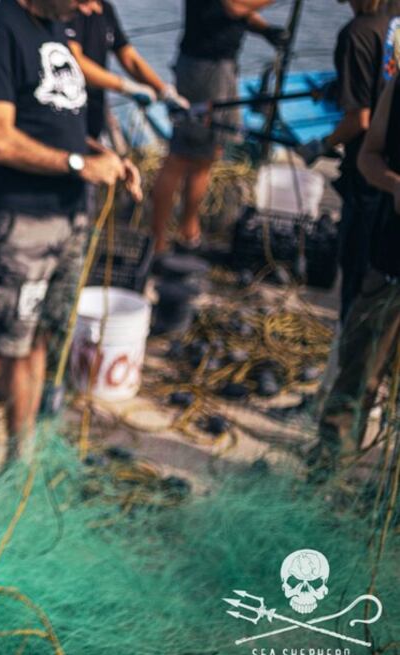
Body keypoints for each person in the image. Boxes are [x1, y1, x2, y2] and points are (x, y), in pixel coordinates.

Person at [0, 0, 141, 509]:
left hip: (70, 218)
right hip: (21, 223)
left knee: (38, 341)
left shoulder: (58, 27)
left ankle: (17, 464)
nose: (90, 6)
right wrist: (78, 164)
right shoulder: (1, 29)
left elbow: (57, 123)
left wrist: (106, 157)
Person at [308, 76, 400, 482]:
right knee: (357, 376)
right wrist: (394, 184)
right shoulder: (398, 87)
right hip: (390, 265)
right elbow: (369, 157)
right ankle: (328, 475)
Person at [149, 0, 289, 255]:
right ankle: (158, 241)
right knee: (180, 156)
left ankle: (188, 234)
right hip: (204, 68)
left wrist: (265, 29)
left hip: (218, 66)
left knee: (207, 155)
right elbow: (234, 6)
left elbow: (237, 10)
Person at [297, 0, 396, 323]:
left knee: (357, 276)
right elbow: (381, 85)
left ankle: (350, 336)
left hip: (368, 180)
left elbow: (359, 119)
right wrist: (338, 88)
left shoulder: (356, 34)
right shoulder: (392, 23)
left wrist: (322, 145)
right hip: (390, 181)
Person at [65, 0, 189, 142]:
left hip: (95, 106)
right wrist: (125, 86)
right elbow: (74, 62)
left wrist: (163, 91)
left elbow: (129, 57)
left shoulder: (106, 9)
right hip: (70, 107)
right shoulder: (71, 11)